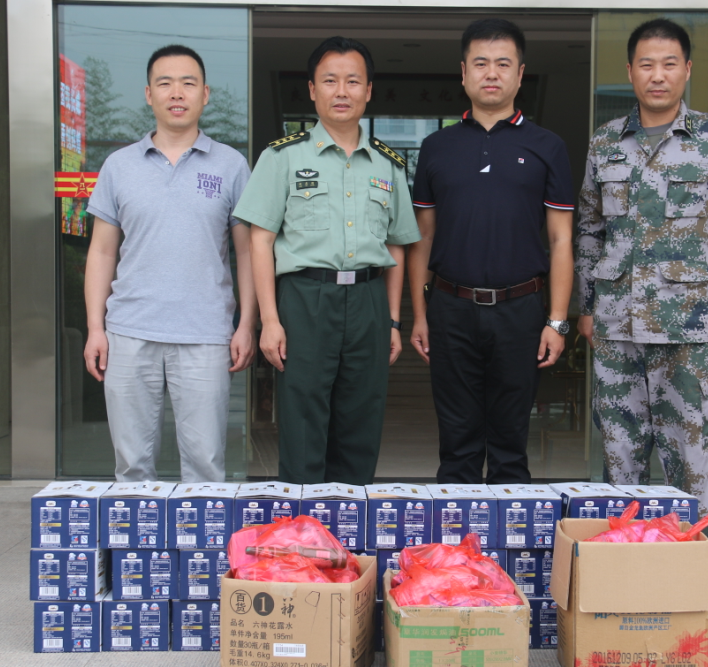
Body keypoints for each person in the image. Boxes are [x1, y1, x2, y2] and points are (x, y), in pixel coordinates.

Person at [576, 19, 708, 540]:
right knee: (620, 450)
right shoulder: (606, 141)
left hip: (686, 323)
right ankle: (626, 559)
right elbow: (590, 230)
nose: (657, 75)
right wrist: (586, 307)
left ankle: (693, 561)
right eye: (647, 65)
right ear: (630, 71)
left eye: (669, 64)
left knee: (689, 449)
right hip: (617, 326)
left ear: (687, 69)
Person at [233, 37, 420, 485]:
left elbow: (397, 245)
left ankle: (351, 525)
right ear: (312, 90)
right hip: (305, 299)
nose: (341, 91)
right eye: (330, 81)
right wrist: (268, 321)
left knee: (362, 421)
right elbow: (260, 241)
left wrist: (393, 321)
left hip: (369, 300)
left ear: (368, 91)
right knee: (302, 421)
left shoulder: (388, 165)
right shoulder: (282, 157)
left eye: (353, 81)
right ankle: (304, 527)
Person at [408, 19, 575, 485]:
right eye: (480, 63)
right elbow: (422, 237)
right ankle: (454, 535)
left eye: (503, 64)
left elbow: (561, 240)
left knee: (510, 446)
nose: (491, 73)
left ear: (520, 75)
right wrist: (420, 315)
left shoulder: (547, 147)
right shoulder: (436, 147)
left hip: (521, 310)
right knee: (456, 446)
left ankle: (509, 533)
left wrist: (557, 321)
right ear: (463, 73)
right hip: (451, 308)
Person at [84, 45, 256, 483]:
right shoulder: (119, 166)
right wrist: (95, 328)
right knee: (131, 466)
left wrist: (245, 324)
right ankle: (136, 532)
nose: (176, 93)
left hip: (205, 333)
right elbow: (102, 252)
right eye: (165, 83)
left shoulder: (232, 165)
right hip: (129, 331)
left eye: (188, 83)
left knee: (205, 466)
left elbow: (247, 252)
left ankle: (202, 533)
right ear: (149, 94)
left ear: (205, 94)